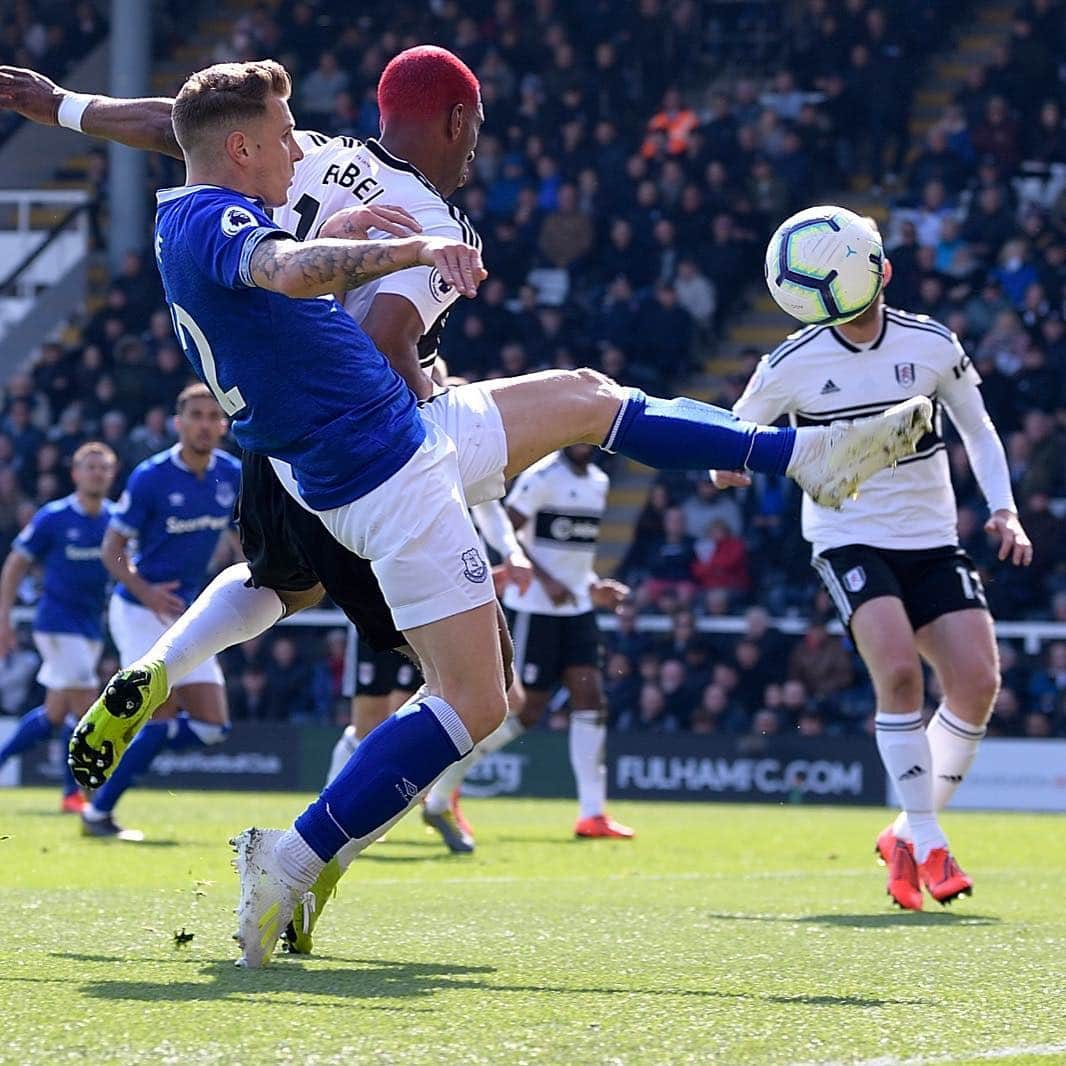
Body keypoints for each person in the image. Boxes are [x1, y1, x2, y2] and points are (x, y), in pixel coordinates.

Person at [34, 58, 926, 966]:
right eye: (283, 131)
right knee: (473, 699)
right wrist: (413, 254)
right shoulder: (324, 217)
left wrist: (63, 107)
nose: (298, 143)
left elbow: (189, 143)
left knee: (585, 399)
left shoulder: (225, 195)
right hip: (382, 464)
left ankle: (801, 454)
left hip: (329, 443)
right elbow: (299, 276)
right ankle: (294, 858)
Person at [714, 245, 1032, 911]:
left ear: (882, 272)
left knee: (977, 685)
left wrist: (1004, 509)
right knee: (898, 674)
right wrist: (729, 463)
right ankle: (928, 837)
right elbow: (738, 432)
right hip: (847, 539)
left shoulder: (933, 344)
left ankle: (904, 833)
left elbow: (979, 431)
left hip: (932, 539)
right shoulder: (791, 363)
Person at [426, 444, 633, 840]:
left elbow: (575, 557)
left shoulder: (599, 483)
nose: (585, 443)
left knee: (591, 699)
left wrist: (593, 587)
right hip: (535, 610)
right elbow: (512, 533)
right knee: (524, 710)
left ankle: (592, 814)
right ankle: (447, 784)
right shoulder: (542, 477)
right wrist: (545, 579)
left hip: (576, 610)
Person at [75, 384, 242, 839]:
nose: (206, 424)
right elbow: (112, 551)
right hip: (138, 609)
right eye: (196, 416)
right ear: (178, 423)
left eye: (214, 416)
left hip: (188, 611)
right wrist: (147, 592)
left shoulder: (231, 474)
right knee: (162, 714)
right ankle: (97, 813)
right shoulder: (150, 477)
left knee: (213, 727)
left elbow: (241, 540)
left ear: (223, 425)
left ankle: (120, 738)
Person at [0, 442, 117, 811]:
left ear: (111, 474)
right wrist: (3, 615)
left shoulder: (115, 519)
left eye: (103, 467)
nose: (97, 473)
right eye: (90, 467)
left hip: (90, 627)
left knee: (55, 714)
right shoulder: (53, 516)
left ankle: (65, 791)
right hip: (55, 624)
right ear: (76, 474)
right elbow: (16, 563)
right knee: (87, 710)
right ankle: (82, 795)